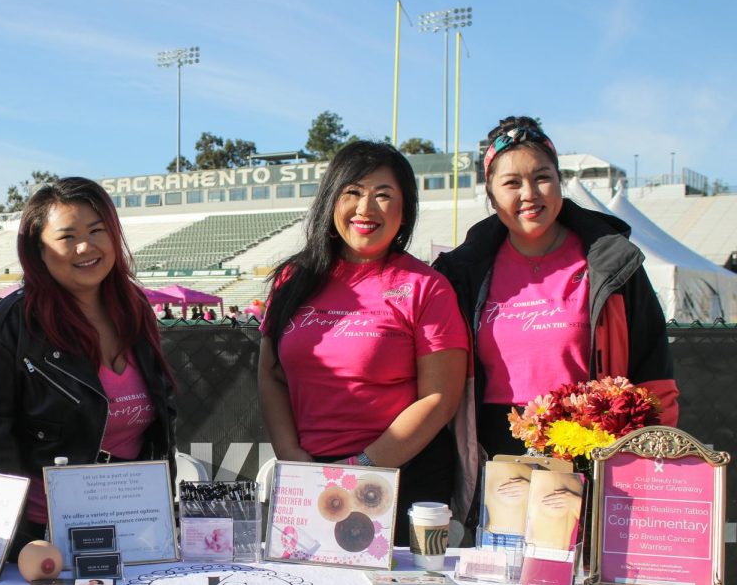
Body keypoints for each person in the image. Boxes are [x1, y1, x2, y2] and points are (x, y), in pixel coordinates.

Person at [433, 117, 679, 475]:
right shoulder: (462, 272)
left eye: (542, 177)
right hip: (496, 455)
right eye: (512, 183)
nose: (529, 194)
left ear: (560, 182)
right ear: (491, 194)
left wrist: (652, 458)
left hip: (592, 450)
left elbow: (654, 372)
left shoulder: (613, 262)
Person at [258, 141, 468, 545]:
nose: (365, 209)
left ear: (405, 210)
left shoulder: (427, 287)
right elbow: (270, 375)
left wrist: (363, 465)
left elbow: (440, 398)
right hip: (311, 477)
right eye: (352, 192)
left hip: (398, 478)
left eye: (383, 195)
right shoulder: (292, 280)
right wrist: (290, 453)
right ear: (331, 199)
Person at [0, 177, 176, 559]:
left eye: (98, 231)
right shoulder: (8, 326)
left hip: (136, 532)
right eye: (67, 236)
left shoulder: (135, 310)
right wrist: (1, 547)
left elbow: (160, 424)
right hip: (41, 540)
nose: (86, 247)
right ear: (37, 250)